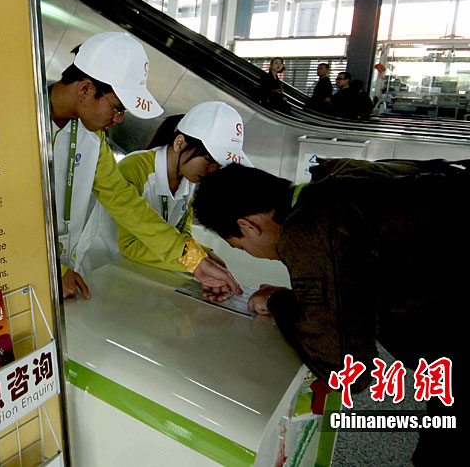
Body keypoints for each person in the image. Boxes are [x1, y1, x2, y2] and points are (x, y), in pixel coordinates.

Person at [192, 159, 464, 466]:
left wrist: (280, 303)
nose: (252, 254)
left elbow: (347, 371)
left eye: (241, 247)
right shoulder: (344, 175)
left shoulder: (311, 227)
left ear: (248, 226)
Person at [48, 32, 241, 301]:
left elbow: (124, 201)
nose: (119, 119)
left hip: (68, 277)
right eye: (117, 107)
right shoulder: (17, 121)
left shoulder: (91, 137)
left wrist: (194, 259)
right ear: (85, 89)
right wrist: (52, 270)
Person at [112, 101, 252, 271]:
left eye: (220, 164)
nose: (213, 170)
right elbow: (130, 245)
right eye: (209, 159)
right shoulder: (134, 168)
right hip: (105, 266)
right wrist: (195, 263)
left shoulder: (189, 179)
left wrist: (202, 254)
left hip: (143, 271)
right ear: (179, 143)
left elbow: (181, 231)